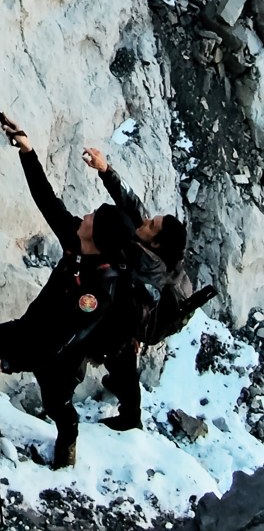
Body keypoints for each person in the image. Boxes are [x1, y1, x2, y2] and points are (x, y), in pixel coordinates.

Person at [0, 122, 139, 468]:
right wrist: (28, 152)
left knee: (57, 405)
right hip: (31, 329)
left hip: (60, 354)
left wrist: (4, 363)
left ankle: (68, 437)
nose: (84, 215)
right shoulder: (80, 241)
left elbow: (52, 345)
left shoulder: (97, 294)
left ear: (96, 238)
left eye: (92, 217)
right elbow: (48, 203)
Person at [83, 146, 191, 431]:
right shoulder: (154, 243)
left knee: (119, 353)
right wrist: (105, 170)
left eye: (152, 225)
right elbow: (135, 208)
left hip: (134, 317)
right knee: (120, 360)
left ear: (155, 243)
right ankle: (121, 387)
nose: (146, 221)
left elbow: (128, 228)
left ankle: (130, 418)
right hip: (134, 306)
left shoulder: (148, 263)